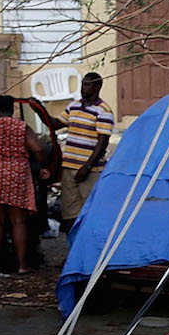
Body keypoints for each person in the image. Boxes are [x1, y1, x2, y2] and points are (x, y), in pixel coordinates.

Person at [0, 93, 44, 275]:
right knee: (18, 222)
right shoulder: (23, 127)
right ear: (13, 109)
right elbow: (38, 149)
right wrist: (38, 166)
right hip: (18, 176)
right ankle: (22, 265)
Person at [58, 72, 114, 234]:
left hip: (90, 171)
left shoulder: (103, 111)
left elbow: (102, 143)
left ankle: (90, 254)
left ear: (97, 87)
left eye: (88, 85)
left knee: (90, 214)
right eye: (83, 84)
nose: (83, 88)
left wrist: (87, 166)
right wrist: (39, 110)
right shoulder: (74, 106)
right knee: (69, 214)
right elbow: (56, 124)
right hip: (69, 167)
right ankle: (72, 254)